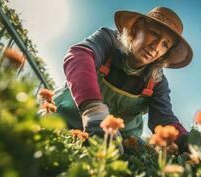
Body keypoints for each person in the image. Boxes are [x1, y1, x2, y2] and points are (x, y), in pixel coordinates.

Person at [53, 6, 193, 152]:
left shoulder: (157, 82)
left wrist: (189, 143)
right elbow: (79, 55)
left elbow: (164, 120)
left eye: (165, 44)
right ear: (136, 28)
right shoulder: (108, 40)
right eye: (154, 33)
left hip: (116, 143)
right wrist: (93, 109)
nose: (156, 46)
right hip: (63, 120)